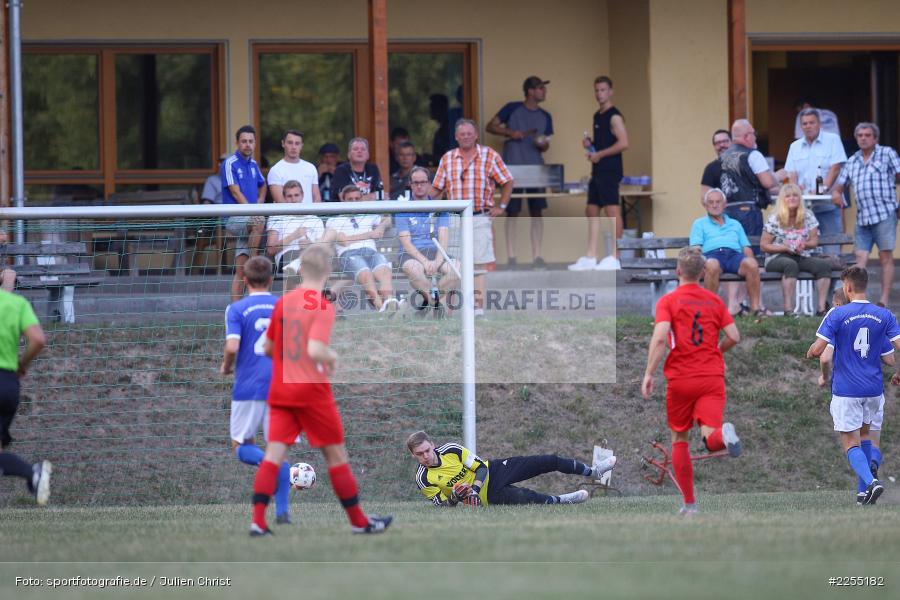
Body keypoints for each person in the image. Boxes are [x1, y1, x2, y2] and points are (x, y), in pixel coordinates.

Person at [250, 244, 392, 535]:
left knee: (273, 455)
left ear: (301, 269)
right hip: (311, 390)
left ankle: (257, 522)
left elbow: (267, 347)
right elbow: (315, 349)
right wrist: (332, 357)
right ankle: (359, 522)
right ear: (328, 271)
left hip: (281, 388)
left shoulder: (284, 301)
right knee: (336, 458)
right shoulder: (322, 305)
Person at [641, 246, 742, 515]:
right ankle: (724, 434)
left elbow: (661, 338)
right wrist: (715, 351)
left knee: (680, 438)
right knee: (711, 436)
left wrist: (649, 372)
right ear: (703, 272)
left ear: (677, 272)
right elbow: (734, 335)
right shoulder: (714, 301)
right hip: (711, 376)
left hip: (682, 378)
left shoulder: (669, 301)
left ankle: (689, 504)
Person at [810, 266, 900, 505]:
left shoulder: (837, 314)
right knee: (865, 436)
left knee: (851, 442)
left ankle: (871, 482)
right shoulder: (885, 315)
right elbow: (892, 355)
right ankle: (863, 494)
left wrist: (810, 352)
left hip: (847, 390)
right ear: (865, 285)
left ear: (847, 287)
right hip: (873, 390)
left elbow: (822, 353)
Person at [220, 255, 292, 525]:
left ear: (245, 280)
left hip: (248, 386)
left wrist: (227, 366)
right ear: (272, 279)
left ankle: (268, 466)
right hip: (281, 387)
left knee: (240, 446)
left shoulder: (236, 309)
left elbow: (232, 347)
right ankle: (283, 511)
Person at [430, 119, 514, 314]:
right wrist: (420, 203)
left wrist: (501, 206)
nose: (466, 136)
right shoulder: (447, 158)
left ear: (476, 135)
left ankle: (477, 309)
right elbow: (436, 189)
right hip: (454, 219)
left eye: (469, 133)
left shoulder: (490, 155)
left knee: (478, 265)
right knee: (452, 264)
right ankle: (448, 310)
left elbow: (508, 181)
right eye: (462, 134)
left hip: (479, 217)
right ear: (456, 137)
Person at [407, 430, 616, 506]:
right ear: (413, 455)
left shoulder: (451, 449)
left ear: (432, 444)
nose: (425, 456)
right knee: (528, 498)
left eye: (427, 450)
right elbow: (442, 505)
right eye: (419, 454)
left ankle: (593, 471)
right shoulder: (423, 478)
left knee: (546, 460)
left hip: (494, 470)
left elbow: (480, 468)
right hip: (487, 497)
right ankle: (565, 500)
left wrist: (474, 489)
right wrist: (455, 498)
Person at [486, 75, 553, 269]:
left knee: (537, 212)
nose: (544, 91)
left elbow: (546, 145)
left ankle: (537, 257)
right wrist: (510, 133)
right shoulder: (511, 108)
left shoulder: (546, 116)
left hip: (536, 169)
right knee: (511, 212)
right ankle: (512, 257)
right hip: (512, 170)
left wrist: (543, 144)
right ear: (530, 91)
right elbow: (490, 126)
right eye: (541, 88)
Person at [830, 122, 900, 307]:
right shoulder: (852, 160)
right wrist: (836, 194)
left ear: (875, 138)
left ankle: (883, 301)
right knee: (859, 260)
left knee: (886, 257)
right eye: (860, 135)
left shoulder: (887, 153)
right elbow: (838, 186)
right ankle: (857, 301)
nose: (863, 138)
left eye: (867, 135)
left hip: (885, 214)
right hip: (863, 218)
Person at [569, 76, 629, 271]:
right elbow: (604, 142)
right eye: (597, 90)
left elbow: (623, 143)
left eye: (603, 90)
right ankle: (591, 256)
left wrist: (600, 154)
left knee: (612, 211)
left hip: (610, 170)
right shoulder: (597, 115)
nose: (599, 94)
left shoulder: (615, 116)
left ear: (610, 91)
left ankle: (615, 256)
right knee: (591, 210)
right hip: (597, 170)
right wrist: (591, 145)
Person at [0, 286, 51, 505]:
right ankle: (33, 474)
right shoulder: (16, 303)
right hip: (8, 384)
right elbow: (38, 339)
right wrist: (22, 365)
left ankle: (33, 474)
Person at [760, 183, 833, 316]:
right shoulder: (775, 218)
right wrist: (784, 247)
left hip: (801, 255)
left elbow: (814, 241)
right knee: (790, 265)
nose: (792, 198)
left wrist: (804, 245)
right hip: (777, 257)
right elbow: (764, 245)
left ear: (800, 198)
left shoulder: (808, 215)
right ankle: (788, 310)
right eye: (787, 196)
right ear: (782, 200)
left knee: (823, 266)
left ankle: (821, 309)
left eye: (795, 195)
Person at [395, 166, 459, 316]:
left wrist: (437, 261)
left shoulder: (440, 208)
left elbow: (443, 238)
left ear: (429, 184)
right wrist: (425, 262)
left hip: (437, 252)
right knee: (414, 270)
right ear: (410, 184)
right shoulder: (402, 209)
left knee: (456, 269)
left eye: (423, 182)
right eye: (415, 182)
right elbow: (406, 243)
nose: (419, 186)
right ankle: (436, 305)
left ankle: (427, 303)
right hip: (411, 254)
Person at [690, 189, 763, 316]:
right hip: (712, 255)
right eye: (711, 202)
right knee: (712, 264)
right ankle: (709, 310)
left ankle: (755, 309)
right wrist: (698, 264)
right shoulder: (699, 223)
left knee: (751, 264)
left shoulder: (735, 224)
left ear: (725, 204)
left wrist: (753, 261)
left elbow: (746, 247)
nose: (714, 205)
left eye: (718, 202)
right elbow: (696, 248)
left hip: (734, 256)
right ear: (705, 205)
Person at [784, 108, 847, 255]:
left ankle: (835, 278)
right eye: (804, 124)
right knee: (802, 246)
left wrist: (822, 189)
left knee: (831, 246)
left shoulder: (833, 140)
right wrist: (795, 187)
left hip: (828, 204)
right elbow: (791, 173)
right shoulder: (795, 146)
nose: (808, 126)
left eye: (811, 122)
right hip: (803, 207)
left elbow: (836, 168)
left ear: (819, 124)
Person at [326, 185, 397, 312]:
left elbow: (388, 219)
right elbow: (344, 241)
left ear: (361, 199)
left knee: (385, 272)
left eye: (357, 199)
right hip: (349, 255)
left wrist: (381, 227)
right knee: (366, 275)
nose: (354, 202)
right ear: (343, 200)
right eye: (350, 199)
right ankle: (382, 309)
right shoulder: (334, 220)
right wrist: (369, 234)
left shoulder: (367, 215)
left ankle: (390, 304)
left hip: (371, 253)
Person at [719, 119, 780, 254]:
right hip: (749, 213)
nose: (755, 137)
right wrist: (778, 177)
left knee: (734, 251)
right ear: (747, 136)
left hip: (727, 212)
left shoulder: (722, 157)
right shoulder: (753, 154)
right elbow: (768, 182)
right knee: (753, 253)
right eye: (753, 133)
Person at [222, 125, 267, 302]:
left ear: (255, 143)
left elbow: (263, 185)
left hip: (249, 220)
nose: (247, 144)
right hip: (235, 218)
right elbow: (235, 192)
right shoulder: (229, 163)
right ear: (237, 143)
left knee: (241, 271)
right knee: (258, 222)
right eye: (244, 141)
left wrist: (261, 201)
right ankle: (255, 262)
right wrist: (253, 211)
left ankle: (235, 311)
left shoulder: (254, 164)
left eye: (250, 141)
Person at [265, 181, 326, 276]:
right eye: (289, 196)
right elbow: (271, 250)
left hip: (311, 256)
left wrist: (311, 244)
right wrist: (293, 236)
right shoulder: (276, 217)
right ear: (284, 198)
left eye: (296, 195)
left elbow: (324, 248)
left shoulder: (315, 219)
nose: (293, 199)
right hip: (288, 256)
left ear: (302, 196)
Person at [267, 129, 321, 204]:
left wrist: (312, 214)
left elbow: (317, 198)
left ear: (302, 146)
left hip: (310, 215)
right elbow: (280, 202)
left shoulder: (311, 168)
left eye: (297, 143)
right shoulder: (275, 170)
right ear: (283, 143)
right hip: (285, 215)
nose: (293, 147)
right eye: (290, 143)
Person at [700, 129, 732, 200]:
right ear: (714, 147)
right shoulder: (710, 169)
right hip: (723, 210)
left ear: (732, 143)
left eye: (725, 141)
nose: (722, 145)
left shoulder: (743, 164)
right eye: (718, 143)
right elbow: (705, 198)